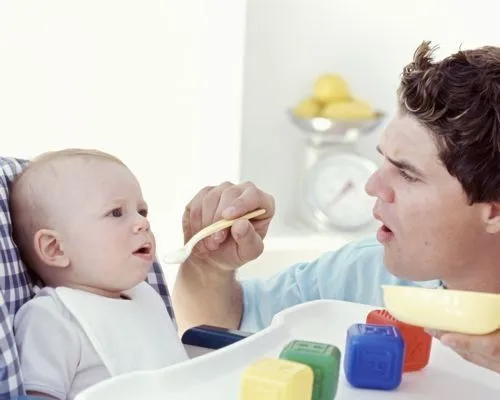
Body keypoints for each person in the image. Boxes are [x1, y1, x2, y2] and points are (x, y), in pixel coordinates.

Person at [172, 41, 500, 375]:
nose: (372, 186)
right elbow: (214, 334)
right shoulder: (364, 271)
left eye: (406, 174)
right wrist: (209, 266)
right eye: (382, 160)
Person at [11, 149, 188, 399]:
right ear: (56, 248)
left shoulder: (147, 296)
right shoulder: (52, 317)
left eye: (142, 211)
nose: (142, 222)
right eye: (116, 212)